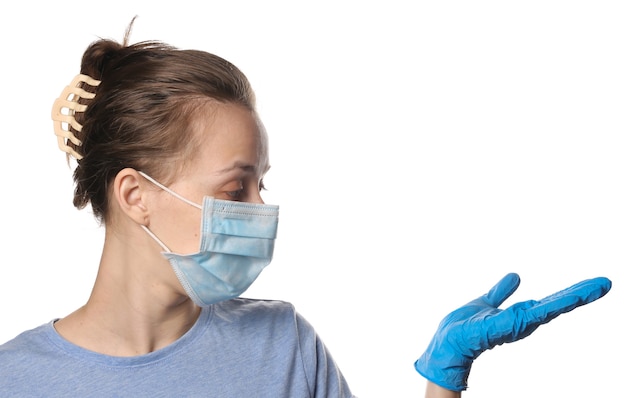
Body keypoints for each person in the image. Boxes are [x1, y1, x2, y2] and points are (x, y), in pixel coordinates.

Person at [0, 20, 612, 397]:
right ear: (136, 196)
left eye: (261, 184)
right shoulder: (17, 381)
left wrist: (441, 384)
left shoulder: (283, 345)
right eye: (237, 187)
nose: (261, 209)